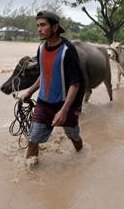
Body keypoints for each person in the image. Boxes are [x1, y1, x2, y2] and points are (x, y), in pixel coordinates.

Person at [21, 10, 85, 160]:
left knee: (74, 137)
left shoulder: (68, 50)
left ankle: (82, 159)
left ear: (55, 28)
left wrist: (64, 110)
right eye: (38, 25)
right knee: (32, 141)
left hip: (65, 106)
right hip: (43, 104)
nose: (39, 29)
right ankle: (29, 176)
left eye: (43, 25)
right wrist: (29, 92)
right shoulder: (41, 48)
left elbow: (75, 83)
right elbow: (44, 73)